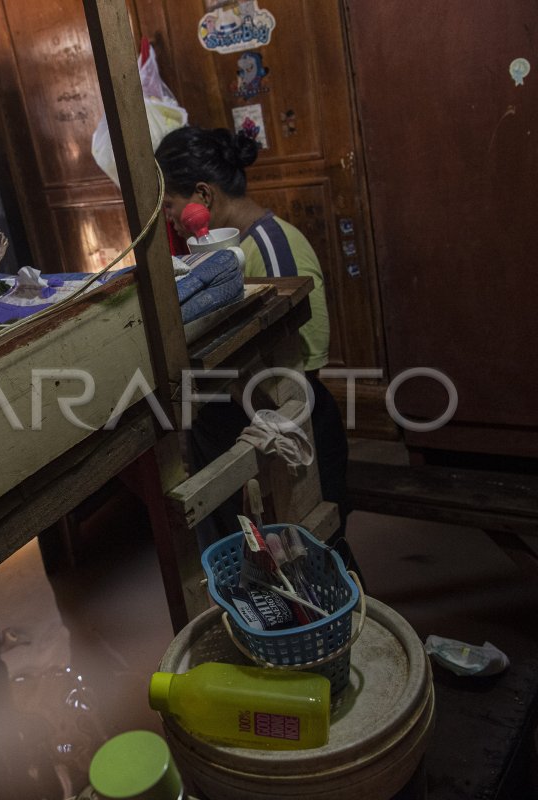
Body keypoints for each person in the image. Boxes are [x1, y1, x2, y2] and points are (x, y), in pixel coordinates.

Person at [154, 125, 360, 578]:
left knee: (318, 571)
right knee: (277, 576)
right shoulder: (233, 255)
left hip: (293, 426)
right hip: (257, 418)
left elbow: (297, 377)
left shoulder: (271, 251)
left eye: (168, 204)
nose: (166, 217)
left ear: (202, 195)